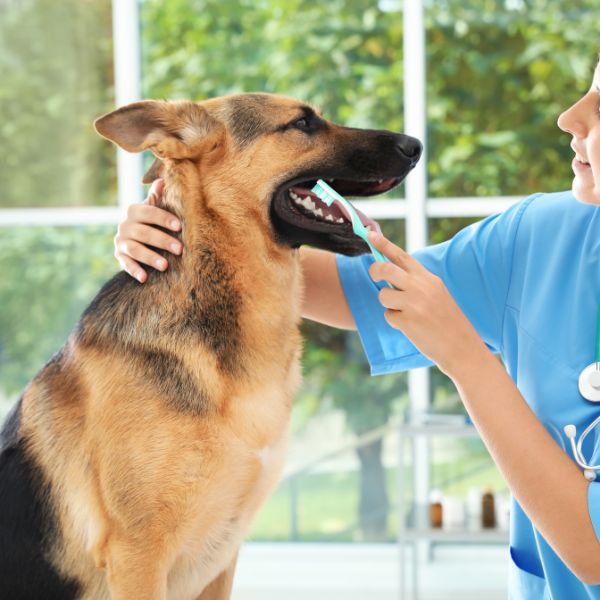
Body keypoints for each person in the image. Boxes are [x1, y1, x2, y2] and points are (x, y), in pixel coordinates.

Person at [113, 61, 600, 597]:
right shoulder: (542, 238)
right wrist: (182, 235)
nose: (569, 117)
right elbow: (358, 288)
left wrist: (464, 358)